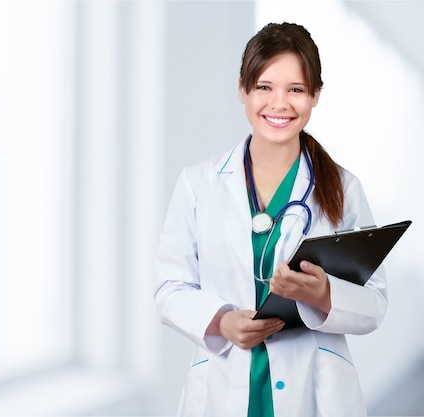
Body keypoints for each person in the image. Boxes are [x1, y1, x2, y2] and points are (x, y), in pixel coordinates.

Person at [153, 22, 387, 417]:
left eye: (295, 89)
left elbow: (375, 303)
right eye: (264, 87)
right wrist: (221, 322)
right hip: (223, 383)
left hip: (314, 388)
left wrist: (323, 295)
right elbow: (169, 288)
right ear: (242, 89)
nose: (279, 103)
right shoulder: (199, 183)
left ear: (315, 95)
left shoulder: (343, 187)